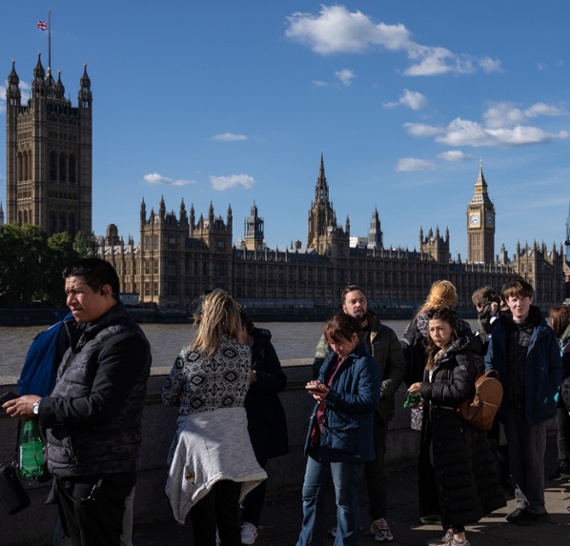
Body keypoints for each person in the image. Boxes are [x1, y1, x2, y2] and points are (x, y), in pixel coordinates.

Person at [2, 257, 152, 546]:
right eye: (67, 292)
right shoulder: (86, 335)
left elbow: (100, 407)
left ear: (106, 291)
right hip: (73, 468)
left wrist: (39, 406)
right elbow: (69, 395)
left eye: (78, 291)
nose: (70, 300)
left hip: (99, 472)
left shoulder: (123, 341)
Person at [162, 289, 266, 546]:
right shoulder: (244, 355)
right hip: (232, 443)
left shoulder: (189, 355)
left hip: (198, 445)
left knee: (203, 520)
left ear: (204, 318)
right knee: (229, 516)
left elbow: (167, 395)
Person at [312, 284, 406, 542]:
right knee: (343, 476)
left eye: (362, 300)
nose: (358, 305)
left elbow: (398, 369)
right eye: (353, 301)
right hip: (341, 416)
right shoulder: (331, 333)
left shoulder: (385, 334)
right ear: (344, 307)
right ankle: (345, 524)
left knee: (375, 469)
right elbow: (320, 364)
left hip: (375, 413)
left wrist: (377, 392)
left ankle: (378, 519)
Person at [408, 307, 505, 546]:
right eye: (431, 329)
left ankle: (460, 537)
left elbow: (460, 390)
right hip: (439, 427)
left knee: (455, 483)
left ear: (452, 328)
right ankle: (451, 531)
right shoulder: (436, 353)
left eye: (440, 328)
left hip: (456, 429)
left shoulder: (461, 354)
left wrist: (426, 389)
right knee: (443, 480)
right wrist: (422, 399)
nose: (436, 334)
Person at [296, 312, 380, 546]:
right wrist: (318, 390)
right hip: (320, 436)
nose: (335, 348)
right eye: (331, 343)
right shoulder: (332, 359)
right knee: (309, 495)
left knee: (344, 499)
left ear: (354, 338)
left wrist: (329, 396)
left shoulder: (366, 364)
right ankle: (307, 542)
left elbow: (368, 402)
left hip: (346, 440)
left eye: (339, 342)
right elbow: (324, 385)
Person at [401, 279, 478, 524]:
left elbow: (405, 358)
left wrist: (416, 389)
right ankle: (455, 509)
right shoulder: (459, 323)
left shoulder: (416, 323)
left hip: (423, 397)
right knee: (453, 459)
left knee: (426, 456)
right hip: (447, 402)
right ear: (453, 299)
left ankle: (428, 509)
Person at [485, 279, 562, 525]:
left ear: (531, 299)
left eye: (523, 298)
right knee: (515, 459)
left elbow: (556, 367)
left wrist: (547, 392)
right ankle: (522, 504)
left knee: (533, 458)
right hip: (509, 404)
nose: (518, 303)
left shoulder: (544, 331)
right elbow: (490, 364)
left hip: (534, 404)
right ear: (507, 302)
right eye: (513, 299)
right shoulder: (499, 330)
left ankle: (538, 507)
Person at [239, 309, 289, 545]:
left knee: (257, 473)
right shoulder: (221, 347)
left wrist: (256, 377)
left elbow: (281, 380)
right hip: (234, 421)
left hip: (260, 421)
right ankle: (230, 522)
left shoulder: (262, 345)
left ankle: (250, 522)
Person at [547, 304, 570, 481]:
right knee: (562, 429)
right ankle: (564, 467)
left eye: (553, 319)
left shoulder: (567, 343)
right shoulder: (561, 340)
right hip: (562, 393)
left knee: (563, 430)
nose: (551, 322)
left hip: (566, 391)